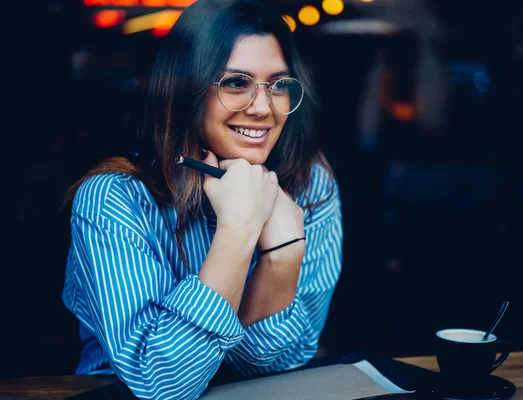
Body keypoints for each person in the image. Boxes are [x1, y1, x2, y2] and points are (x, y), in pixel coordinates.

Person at [61, 1, 343, 399]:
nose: (263, 108)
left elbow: (283, 363)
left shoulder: (310, 187)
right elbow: (163, 385)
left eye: (278, 85)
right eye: (235, 82)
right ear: (185, 90)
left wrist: (281, 259)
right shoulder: (113, 199)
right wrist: (239, 231)